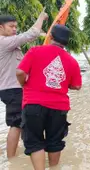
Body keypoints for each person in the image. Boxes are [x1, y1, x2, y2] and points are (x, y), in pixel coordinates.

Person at [16, 25, 82, 169]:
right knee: (54, 141)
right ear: (66, 42)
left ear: (50, 37)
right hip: (59, 108)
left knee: (34, 142)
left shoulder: (35, 51)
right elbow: (77, 86)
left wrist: (24, 84)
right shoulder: (72, 61)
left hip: (33, 104)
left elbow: (20, 72)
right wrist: (63, 84)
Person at [0, 9, 48, 158]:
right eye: (11, 26)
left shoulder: (9, 43)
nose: (14, 29)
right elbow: (30, 34)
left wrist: (41, 35)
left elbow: (28, 37)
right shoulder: (4, 41)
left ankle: (19, 155)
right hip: (12, 90)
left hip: (13, 89)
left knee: (22, 122)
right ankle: (11, 160)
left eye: (16, 26)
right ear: (1, 28)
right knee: (16, 124)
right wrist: (41, 18)